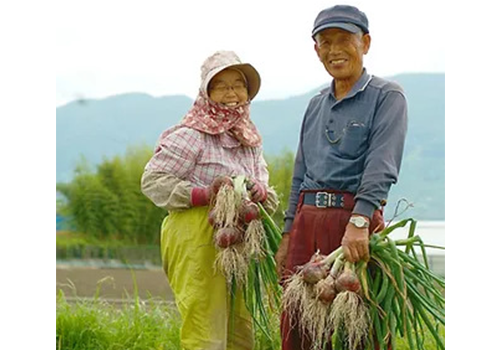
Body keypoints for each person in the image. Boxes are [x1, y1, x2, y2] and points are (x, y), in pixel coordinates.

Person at [275, 5, 408, 350]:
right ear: (316, 50)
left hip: (353, 222)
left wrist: (361, 219)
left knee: (361, 327)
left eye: (344, 40)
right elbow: (300, 173)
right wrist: (289, 232)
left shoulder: (387, 96)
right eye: (325, 42)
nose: (334, 50)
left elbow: (383, 162)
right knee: (299, 326)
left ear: (365, 42)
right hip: (307, 218)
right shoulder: (316, 103)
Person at [141, 50, 279, 350]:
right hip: (197, 237)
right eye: (221, 85)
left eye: (238, 84)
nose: (231, 93)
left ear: (248, 91)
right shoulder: (191, 134)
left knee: (241, 328)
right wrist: (205, 194)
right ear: (207, 92)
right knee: (206, 329)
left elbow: (266, 188)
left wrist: (260, 193)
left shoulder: (248, 139)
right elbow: (153, 182)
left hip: (239, 241)